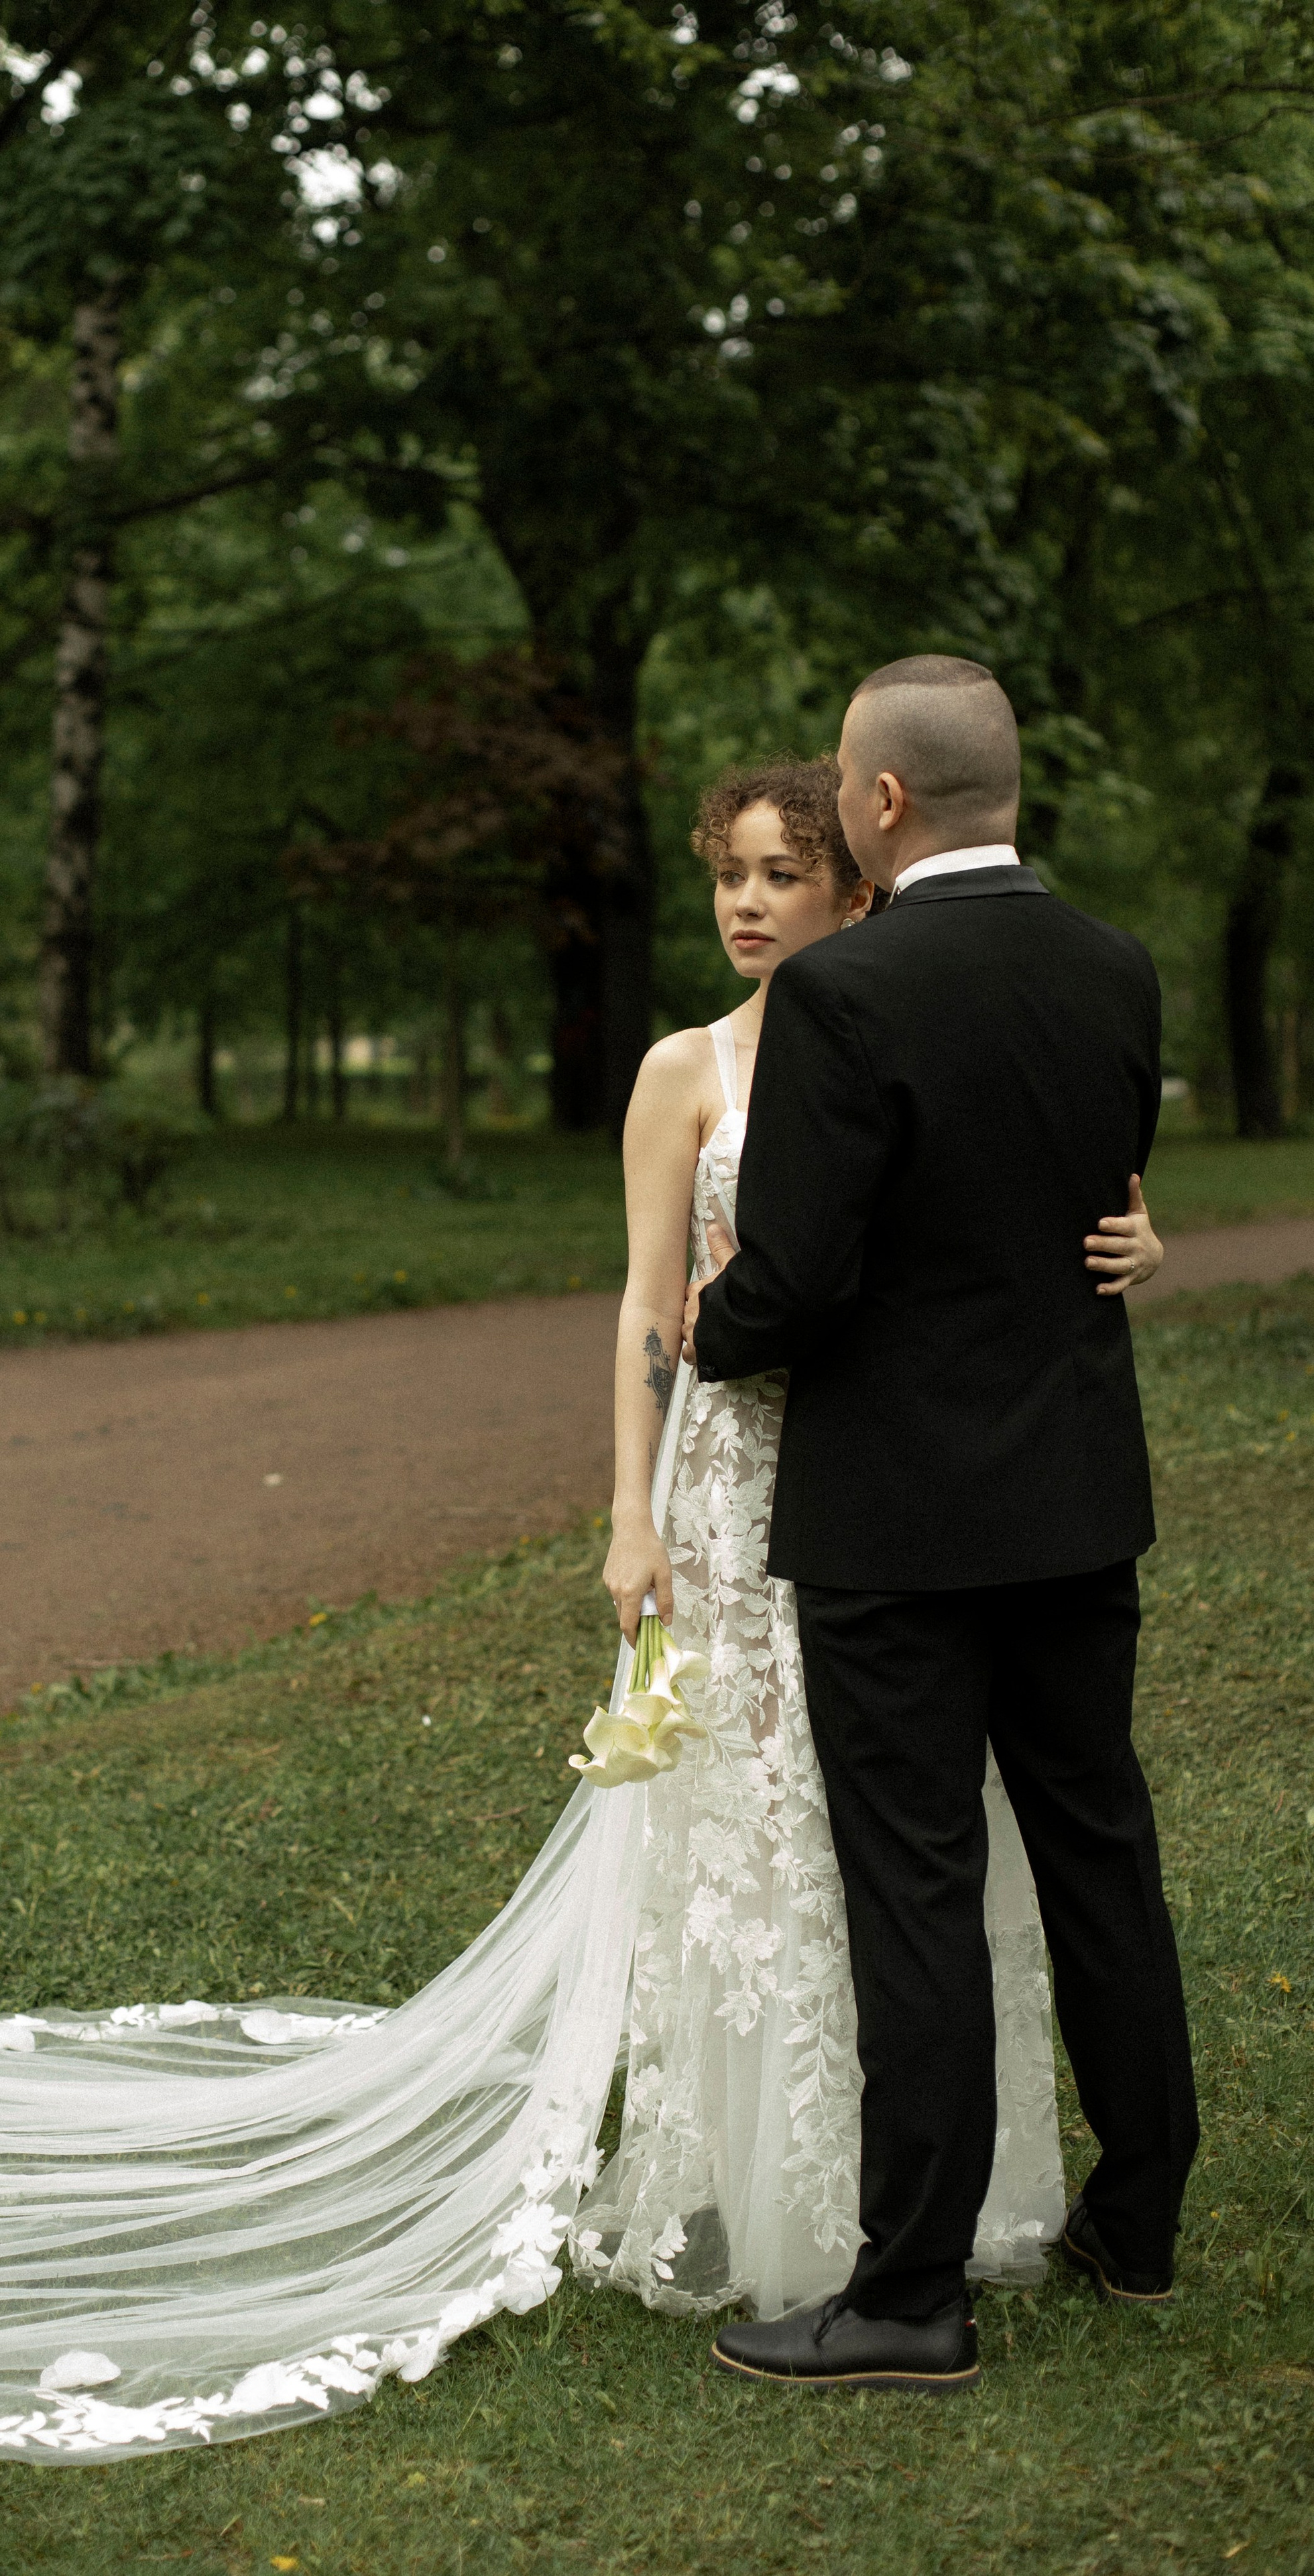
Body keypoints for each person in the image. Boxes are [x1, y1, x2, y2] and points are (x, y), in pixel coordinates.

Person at [0, 748, 1165, 2461]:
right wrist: (626, 1508)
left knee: (906, 1861)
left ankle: (925, 2221)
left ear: (855, 869)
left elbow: (991, 1223)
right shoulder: (683, 1070)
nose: (738, 901)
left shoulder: (898, 1015)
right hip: (749, 1500)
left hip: (877, 1506)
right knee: (782, 1848)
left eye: (775, 873)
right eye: (722, 872)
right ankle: (771, 2190)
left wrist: (1133, 1247)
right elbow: (651, 1310)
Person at [688, 659, 1199, 2396]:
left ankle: (910, 2294)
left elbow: (804, 1270)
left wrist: (718, 1325)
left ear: (882, 806)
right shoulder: (1116, 967)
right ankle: (1142, 2218)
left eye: (835, 790)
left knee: (914, 1883)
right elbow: (1094, 1202)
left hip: (896, 1521)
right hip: (1072, 1493)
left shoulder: (848, 992)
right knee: (1096, 1843)